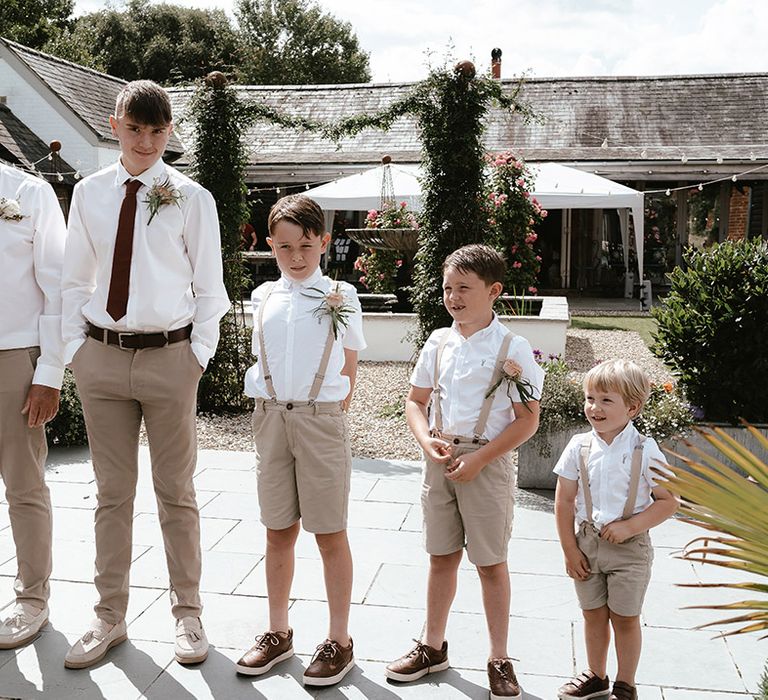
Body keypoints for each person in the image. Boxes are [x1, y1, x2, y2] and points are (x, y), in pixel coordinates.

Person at [60, 80, 230, 669]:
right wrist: (75, 351)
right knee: (111, 494)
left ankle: (188, 613)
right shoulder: (88, 194)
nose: (146, 142)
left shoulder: (192, 199)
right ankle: (109, 616)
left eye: (158, 132)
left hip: (169, 359)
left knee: (176, 493)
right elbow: (74, 280)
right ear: (115, 126)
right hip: (100, 358)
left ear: (169, 133)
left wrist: (195, 359)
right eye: (136, 129)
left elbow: (212, 290)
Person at [386, 244, 544, 700]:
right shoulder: (438, 341)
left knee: (490, 563)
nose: (453, 297)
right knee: (440, 557)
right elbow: (415, 402)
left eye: (464, 289)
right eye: (447, 288)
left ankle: (499, 657)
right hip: (439, 459)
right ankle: (432, 646)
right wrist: (424, 439)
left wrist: (479, 459)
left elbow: (527, 419)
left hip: (487, 463)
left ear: (494, 291)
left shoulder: (513, 348)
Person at [237, 194, 365, 687]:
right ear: (271, 246)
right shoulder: (262, 296)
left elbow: (350, 365)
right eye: (285, 246)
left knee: (329, 532)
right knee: (277, 530)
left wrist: (327, 415)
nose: (295, 256)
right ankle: (277, 630)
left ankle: (339, 639)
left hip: (320, 420)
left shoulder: (341, 295)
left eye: (306, 246)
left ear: (323, 244)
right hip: (270, 420)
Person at [553, 360, 679, 700]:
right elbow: (564, 501)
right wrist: (570, 549)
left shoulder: (645, 450)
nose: (595, 407)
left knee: (625, 618)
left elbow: (668, 501)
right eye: (590, 398)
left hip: (630, 550)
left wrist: (631, 526)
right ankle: (596, 676)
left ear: (632, 407)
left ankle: (626, 684)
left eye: (606, 400)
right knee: (593, 614)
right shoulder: (578, 446)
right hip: (587, 544)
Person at [0, 162, 66, 649]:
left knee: (24, 484)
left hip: (13, 357)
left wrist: (48, 374)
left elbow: (58, 289)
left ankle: (32, 598)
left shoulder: (29, 191)